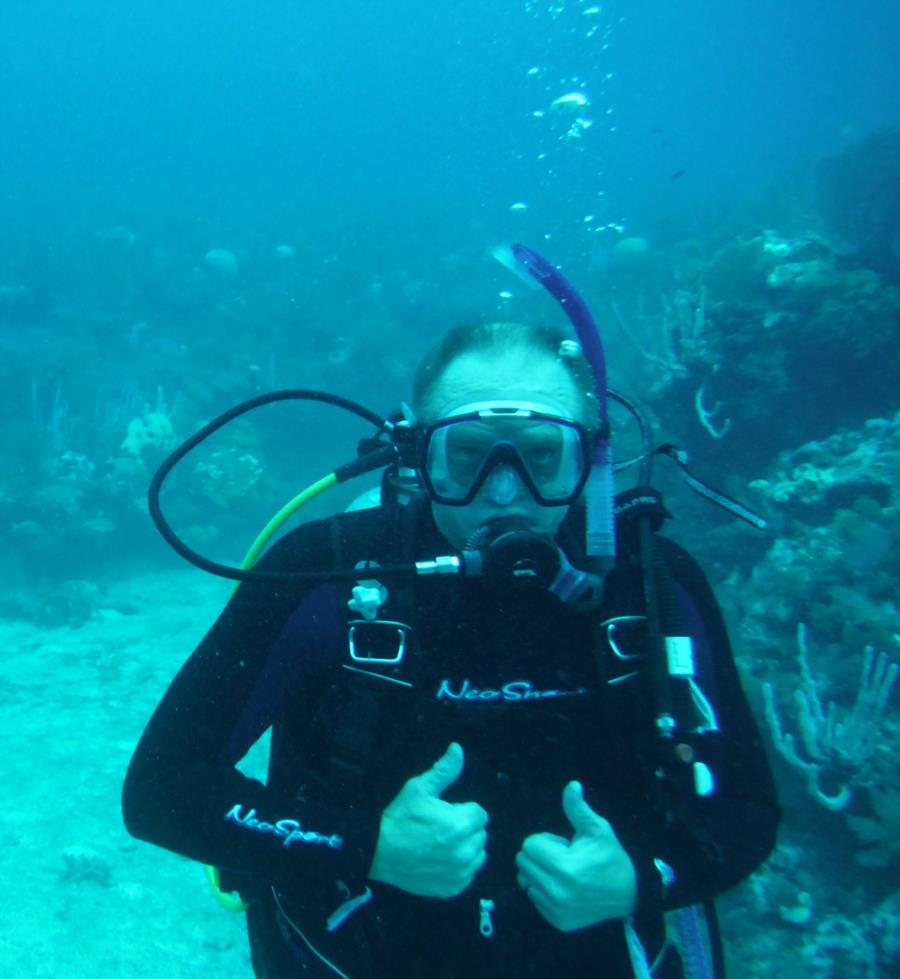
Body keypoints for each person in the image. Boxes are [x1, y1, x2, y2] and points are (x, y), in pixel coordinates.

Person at [123, 314, 778, 978]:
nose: (503, 492)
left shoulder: (652, 587)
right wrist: (365, 846)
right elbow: (160, 787)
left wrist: (641, 880)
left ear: (590, 461)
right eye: (467, 454)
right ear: (418, 455)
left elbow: (748, 811)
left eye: (541, 454)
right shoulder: (326, 577)